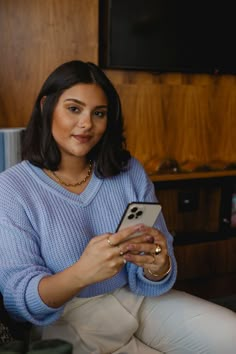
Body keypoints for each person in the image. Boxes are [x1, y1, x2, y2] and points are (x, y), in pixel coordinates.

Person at [0, 60, 235, 354]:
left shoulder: (129, 171)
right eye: (74, 109)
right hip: (68, 318)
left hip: (140, 301)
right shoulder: (12, 187)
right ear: (47, 105)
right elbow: (18, 299)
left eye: (99, 113)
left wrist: (159, 266)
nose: (87, 123)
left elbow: (158, 258)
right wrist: (82, 273)